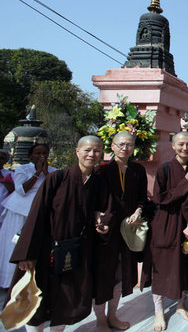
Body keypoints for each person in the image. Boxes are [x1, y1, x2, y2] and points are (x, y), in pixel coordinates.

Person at [8, 136, 111, 331]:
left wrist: (102, 222)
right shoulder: (57, 179)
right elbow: (36, 216)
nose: (92, 154)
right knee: (38, 301)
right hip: (48, 249)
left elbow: (103, 210)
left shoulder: (98, 183)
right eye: (87, 150)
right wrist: (27, 254)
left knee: (66, 300)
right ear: (77, 152)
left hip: (76, 251)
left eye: (97, 151)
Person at [93, 132, 151, 331]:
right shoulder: (100, 170)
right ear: (113, 145)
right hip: (105, 230)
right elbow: (91, 200)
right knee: (102, 275)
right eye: (121, 144)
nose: (125, 148)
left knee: (120, 274)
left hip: (127, 228)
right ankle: (100, 319)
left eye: (129, 144)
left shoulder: (138, 170)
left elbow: (143, 197)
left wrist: (139, 210)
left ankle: (113, 314)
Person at [142, 131, 188, 331]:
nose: (185, 148)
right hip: (166, 222)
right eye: (181, 144)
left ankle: (181, 305)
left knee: (185, 264)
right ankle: (159, 311)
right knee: (162, 265)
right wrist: (184, 184)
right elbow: (160, 198)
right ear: (173, 146)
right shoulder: (164, 169)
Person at [0, 144, 57, 288]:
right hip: (19, 210)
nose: (41, 156)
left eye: (44, 153)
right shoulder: (22, 169)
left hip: (41, 211)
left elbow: (55, 189)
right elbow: (21, 190)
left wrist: (45, 172)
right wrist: (37, 173)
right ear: (31, 155)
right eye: (38, 153)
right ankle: (8, 280)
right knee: (12, 243)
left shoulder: (54, 172)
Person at [0, 149, 14, 221]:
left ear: (5, 161)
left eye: (1, 158)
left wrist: (2, 178)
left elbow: (14, 191)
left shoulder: (10, 174)